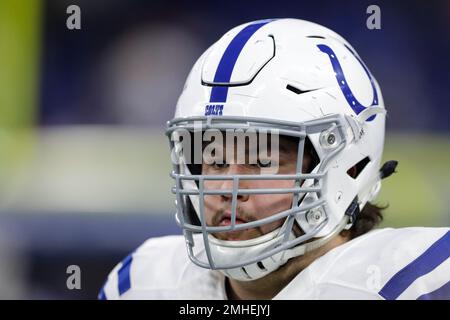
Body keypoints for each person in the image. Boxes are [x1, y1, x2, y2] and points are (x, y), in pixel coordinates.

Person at [99, 18, 449, 300]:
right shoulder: (144, 284)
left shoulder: (414, 282)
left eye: (263, 162)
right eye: (215, 161)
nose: (226, 189)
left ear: (351, 165)